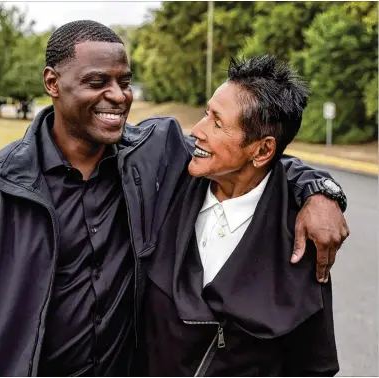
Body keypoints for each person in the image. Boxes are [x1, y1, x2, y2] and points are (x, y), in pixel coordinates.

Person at [0, 21, 348, 376]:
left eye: (124, 82)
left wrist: (319, 190)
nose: (118, 95)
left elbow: (247, 158)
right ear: (52, 83)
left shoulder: (152, 157)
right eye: (97, 82)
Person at [138, 55, 340, 376]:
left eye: (217, 122)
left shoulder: (299, 239)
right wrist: (323, 187)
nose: (198, 131)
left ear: (261, 151)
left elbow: (313, 365)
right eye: (207, 113)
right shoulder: (166, 181)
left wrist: (321, 190)